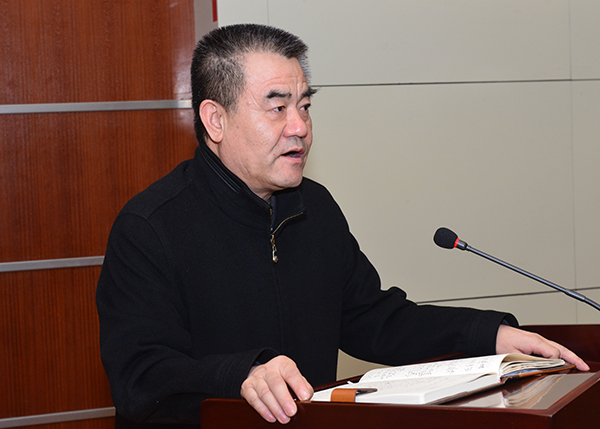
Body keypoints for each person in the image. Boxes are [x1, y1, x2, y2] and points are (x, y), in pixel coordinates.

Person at [96, 23, 588, 428]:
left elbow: (372, 319)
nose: (299, 127)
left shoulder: (313, 207)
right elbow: (140, 377)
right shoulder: (150, 228)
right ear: (215, 120)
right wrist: (241, 373)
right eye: (277, 107)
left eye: (305, 106)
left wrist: (489, 337)